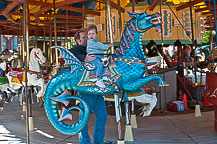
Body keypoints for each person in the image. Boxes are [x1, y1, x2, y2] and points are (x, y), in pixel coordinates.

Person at [69, 30, 111, 144]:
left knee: (102, 115)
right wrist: (84, 58)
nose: (87, 39)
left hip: (96, 90)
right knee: (84, 117)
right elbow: (70, 53)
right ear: (78, 40)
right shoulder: (79, 49)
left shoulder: (91, 48)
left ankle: (98, 140)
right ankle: (85, 141)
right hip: (86, 88)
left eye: (88, 36)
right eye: (84, 37)